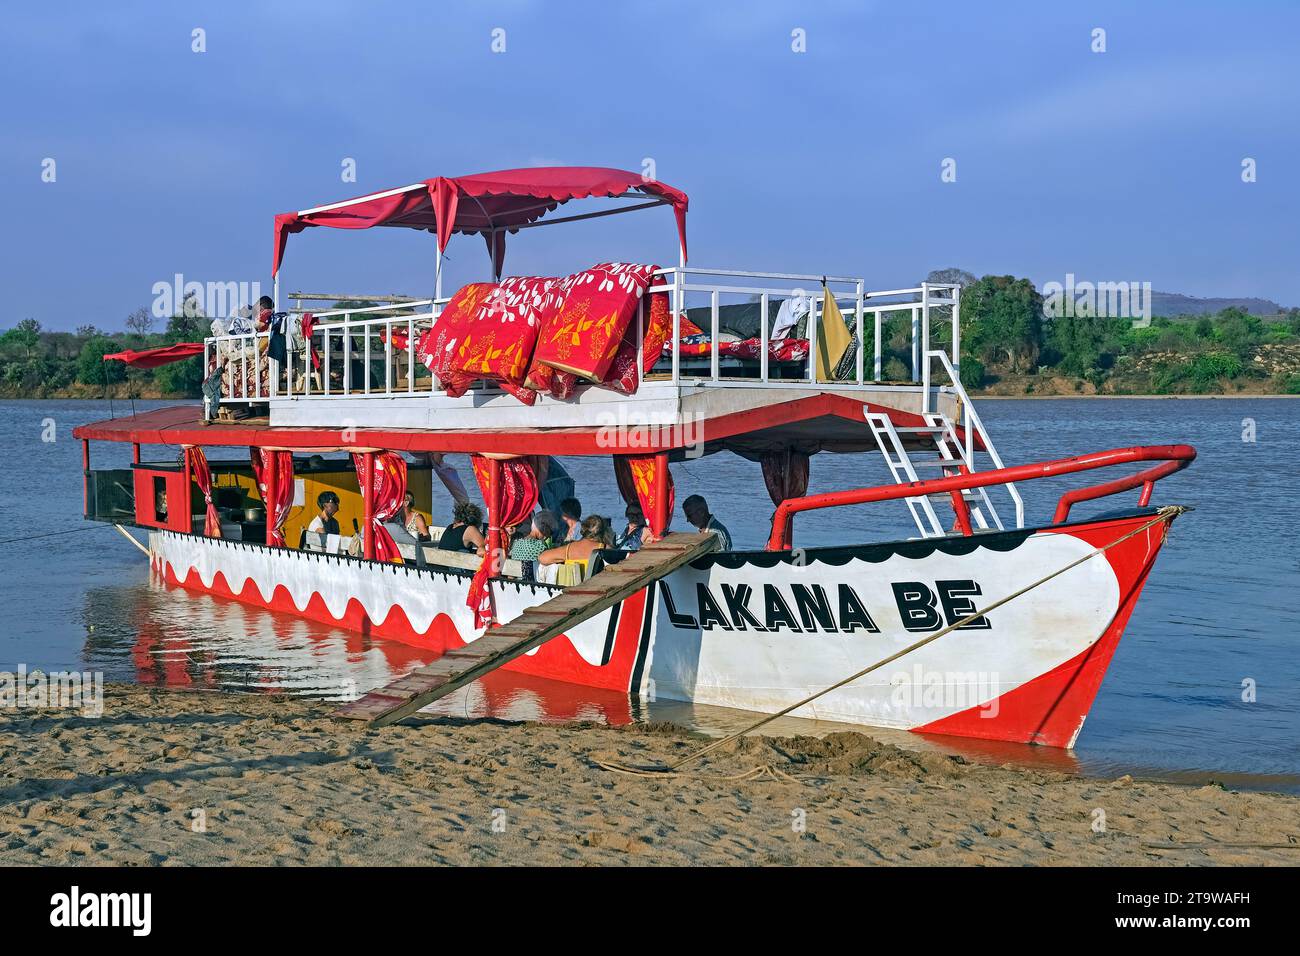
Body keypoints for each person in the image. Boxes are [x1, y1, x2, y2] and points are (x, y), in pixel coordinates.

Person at [539, 515, 613, 585]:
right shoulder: (606, 548)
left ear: (583, 529)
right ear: (604, 531)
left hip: (571, 590)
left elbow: (542, 558)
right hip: (595, 591)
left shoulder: (569, 548)